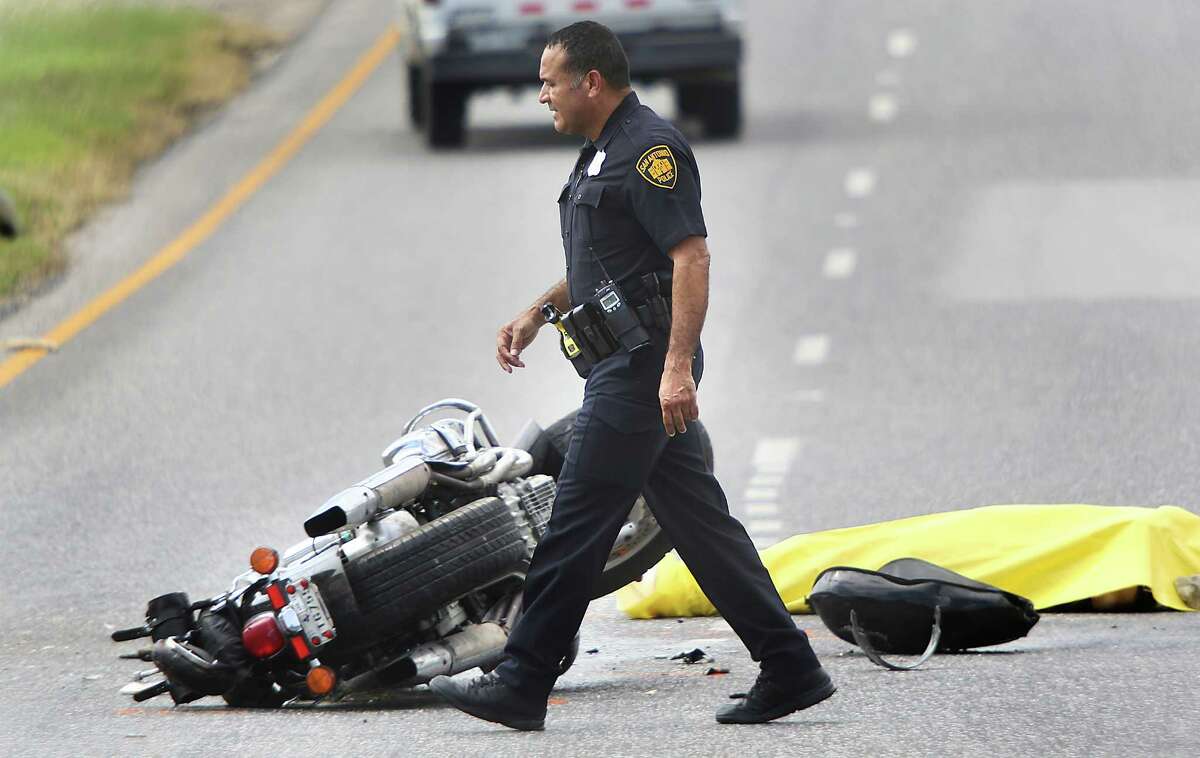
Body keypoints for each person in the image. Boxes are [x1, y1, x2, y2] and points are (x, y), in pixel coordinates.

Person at [429, 20, 835, 730]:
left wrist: (676, 368)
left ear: (591, 81)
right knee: (702, 527)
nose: (541, 95)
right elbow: (607, 264)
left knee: (575, 522)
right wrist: (538, 309)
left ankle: (522, 678)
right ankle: (791, 666)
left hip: (641, 369)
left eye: (550, 82)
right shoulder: (600, 153)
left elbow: (691, 257)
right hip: (631, 365)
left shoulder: (649, 151)